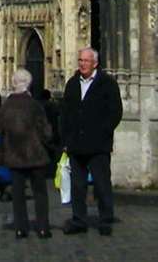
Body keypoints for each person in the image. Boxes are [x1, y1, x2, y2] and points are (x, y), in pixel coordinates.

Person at [60, 47, 123, 237]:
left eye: (86, 61)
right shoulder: (72, 83)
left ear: (95, 63)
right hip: (76, 145)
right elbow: (65, 112)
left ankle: (105, 220)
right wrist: (65, 138)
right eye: (80, 60)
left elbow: (115, 112)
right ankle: (79, 219)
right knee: (78, 186)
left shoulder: (107, 83)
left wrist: (103, 131)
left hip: (98, 145)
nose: (82, 64)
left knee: (102, 184)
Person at [0, 69, 56, 239]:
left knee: (19, 193)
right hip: (35, 154)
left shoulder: (6, 106)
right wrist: (50, 144)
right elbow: (46, 131)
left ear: (13, 83)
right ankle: (43, 228)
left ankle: (21, 228)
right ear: (29, 84)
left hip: (14, 154)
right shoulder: (35, 105)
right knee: (40, 192)